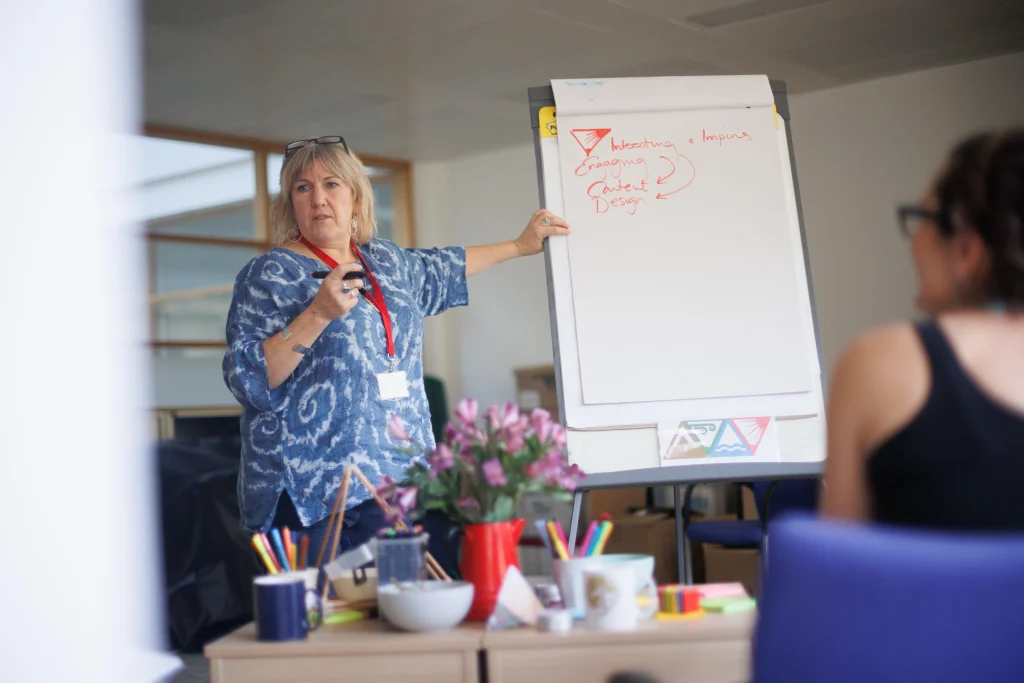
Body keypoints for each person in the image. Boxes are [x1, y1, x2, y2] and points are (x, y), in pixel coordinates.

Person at [222, 135, 569, 569]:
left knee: (416, 615)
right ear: (291, 202)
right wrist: (317, 314)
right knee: (338, 628)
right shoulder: (268, 274)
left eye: (331, 184)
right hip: (320, 490)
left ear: (355, 196)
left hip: (404, 479)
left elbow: (447, 264)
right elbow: (248, 379)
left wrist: (518, 246)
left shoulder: (385, 262)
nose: (319, 199)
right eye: (303, 188)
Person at [820, 128, 1024, 530]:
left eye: (923, 219)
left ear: (967, 250)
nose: (914, 242)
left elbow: (838, 569)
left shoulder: (879, 360)